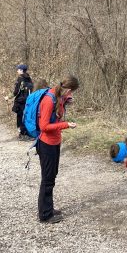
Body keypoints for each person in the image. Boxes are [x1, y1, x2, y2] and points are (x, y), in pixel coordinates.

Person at [36, 75, 80, 224]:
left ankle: (48, 208)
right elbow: (44, 126)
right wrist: (65, 125)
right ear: (68, 89)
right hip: (46, 144)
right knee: (47, 179)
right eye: (71, 91)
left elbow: (55, 117)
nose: (71, 94)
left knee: (52, 176)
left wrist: (65, 102)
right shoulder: (49, 100)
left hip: (55, 142)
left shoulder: (59, 97)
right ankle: (45, 214)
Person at [7, 64, 34, 140]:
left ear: (21, 70)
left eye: (18, 69)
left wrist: (8, 97)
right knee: (26, 117)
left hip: (20, 102)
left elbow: (16, 91)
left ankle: (22, 134)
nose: (17, 71)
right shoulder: (29, 78)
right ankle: (27, 133)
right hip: (28, 101)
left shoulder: (20, 79)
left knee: (20, 117)